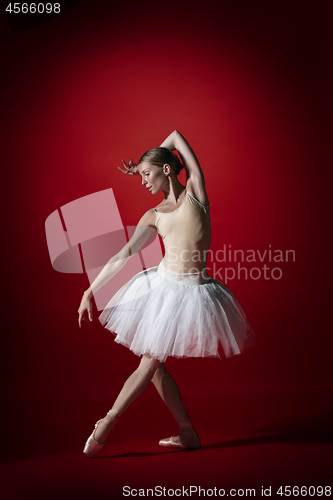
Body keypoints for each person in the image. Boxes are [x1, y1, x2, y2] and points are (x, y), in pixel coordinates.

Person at [78, 130, 255, 458]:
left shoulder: (196, 193)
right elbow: (122, 256)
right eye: (141, 176)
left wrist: (148, 160)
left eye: (147, 174)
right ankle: (186, 432)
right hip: (162, 289)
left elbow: (175, 136)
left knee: (151, 361)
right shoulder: (153, 215)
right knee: (154, 364)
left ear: (168, 170)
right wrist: (90, 290)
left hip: (193, 293)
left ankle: (106, 422)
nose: (142, 181)